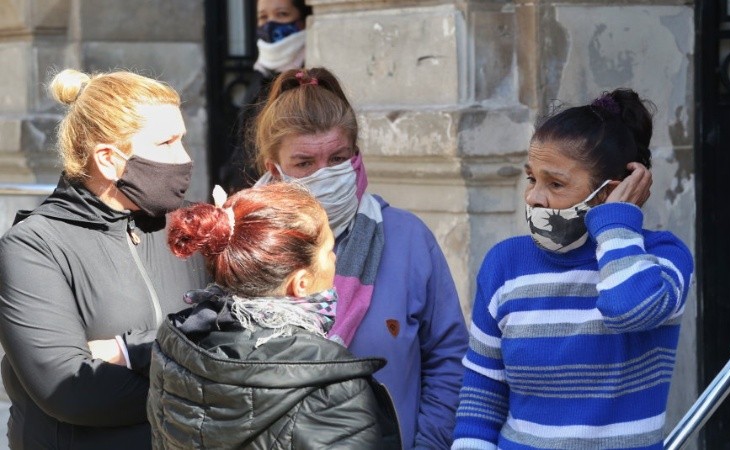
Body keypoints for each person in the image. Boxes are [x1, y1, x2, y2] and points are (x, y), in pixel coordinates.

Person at [452, 89, 694, 449]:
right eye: (532, 178)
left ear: (608, 192)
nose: (534, 197)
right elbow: (482, 391)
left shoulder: (662, 257)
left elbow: (630, 308)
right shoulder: (505, 263)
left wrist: (616, 223)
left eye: (556, 183)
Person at [251, 67, 469, 449]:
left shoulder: (408, 239)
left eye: (338, 157)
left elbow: (448, 357)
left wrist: (428, 443)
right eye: (305, 163)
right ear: (275, 169)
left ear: (357, 155)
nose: (326, 174)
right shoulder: (247, 245)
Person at [0, 69, 209, 449]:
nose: (184, 158)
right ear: (109, 159)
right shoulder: (34, 246)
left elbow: (235, 332)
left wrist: (125, 350)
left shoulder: (190, 224)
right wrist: (206, 385)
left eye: (184, 140)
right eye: (167, 143)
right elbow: (70, 387)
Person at [148, 183, 401, 449]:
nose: (334, 259)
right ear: (301, 283)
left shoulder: (177, 349)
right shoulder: (336, 395)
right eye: (328, 250)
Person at [219, 0, 312, 192]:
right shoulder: (261, 71)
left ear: (302, 20)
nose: (270, 24)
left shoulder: (310, 75)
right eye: (263, 17)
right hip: (248, 191)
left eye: (282, 15)